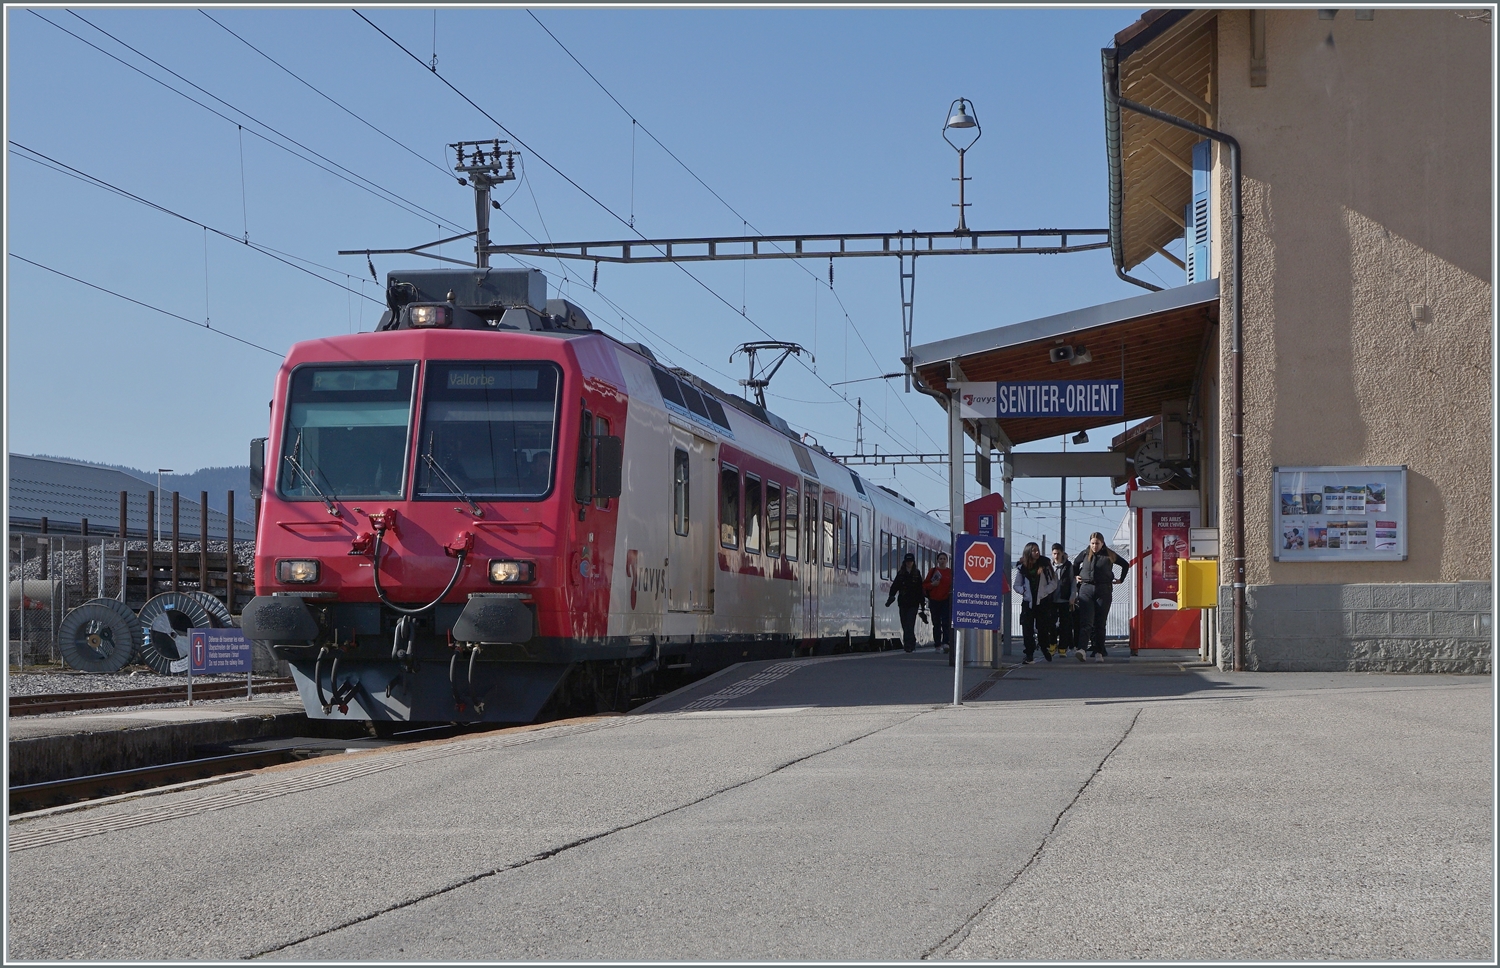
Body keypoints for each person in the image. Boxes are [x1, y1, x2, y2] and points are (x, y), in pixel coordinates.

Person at [1072, 531, 1130, 662]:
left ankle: (1099, 651)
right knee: (1086, 622)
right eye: (1092, 543)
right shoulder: (1085, 553)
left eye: (1097, 543)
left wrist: (1121, 579)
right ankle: (1082, 649)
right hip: (1086, 588)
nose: (1094, 546)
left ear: (1102, 543)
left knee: (1100, 622)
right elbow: (1075, 564)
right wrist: (1076, 575)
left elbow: (1125, 564)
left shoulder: (1109, 554)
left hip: (1104, 589)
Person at [1012, 542, 1057, 664]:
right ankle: (1029, 654)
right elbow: (1016, 585)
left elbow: (1053, 583)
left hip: (1042, 602)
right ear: (1028, 552)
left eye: (1037, 550)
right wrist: (1024, 591)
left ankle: (1044, 648)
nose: (1036, 553)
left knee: (1042, 628)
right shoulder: (1022, 568)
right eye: (1033, 550)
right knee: (1027, 629)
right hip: (1028, 602)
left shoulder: (1045, 565)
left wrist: (1044, 593)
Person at [885, 552, 925, 653]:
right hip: (903, 602)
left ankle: (909, 645)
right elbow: (895, 586)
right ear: (905, 562)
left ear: (913, 562)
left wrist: (922, 604)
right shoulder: (901, 573)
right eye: (907, 561)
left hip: (913, 603)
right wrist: (891, 596)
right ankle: (910, 642)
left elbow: (920, 589)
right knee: (904, 623)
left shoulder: (917, 574)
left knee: (910, 623)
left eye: (910, 561)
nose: (909, 563)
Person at [1047, 543, 1076, 658]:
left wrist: (1072, 596)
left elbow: (1072, 581)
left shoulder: (1068, 566)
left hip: (1064, 599)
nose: (1056, 556)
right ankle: (1053, 644)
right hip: (1051, 599)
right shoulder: (1049, 566)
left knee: (1065, 624)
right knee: (1051, 623)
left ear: (1063, 553)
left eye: (1058, 553)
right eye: (1054, 553)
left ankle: (1063, 647)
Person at [923, 552, 953, 655]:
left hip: (946, 600)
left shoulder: (950, 572)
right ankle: (937, 644)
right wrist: (932, 584)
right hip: (934, 600)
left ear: (947, 561)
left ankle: (946, 643)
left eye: (944, 559)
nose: (942, 560)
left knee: (945, 622)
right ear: (938, 560)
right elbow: (925, 585)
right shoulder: (933, 571)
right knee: (936, 623)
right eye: (940, 558)